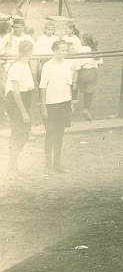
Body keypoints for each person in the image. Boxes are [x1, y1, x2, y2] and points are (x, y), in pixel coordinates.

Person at [39, 40, 76, 175]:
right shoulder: (48, 66)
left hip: (64, 103)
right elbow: (42, 87)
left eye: (66, 50)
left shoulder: (68, 65)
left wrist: (70, 103)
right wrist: (44, 107)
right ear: (55, 51)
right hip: (51, 104)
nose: (65, 52)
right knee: (50, 133)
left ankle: (57, 164)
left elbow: (68, 85)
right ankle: (47, 165)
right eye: (62, 50)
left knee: (60, 134)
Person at [5, 40, 35, 175]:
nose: (31, 53)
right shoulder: (17, 67)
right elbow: (16, 92)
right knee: (19, 133)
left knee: (23, 133)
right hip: (16, 101)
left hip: (25, 98)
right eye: (30, 51)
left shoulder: (25, 64)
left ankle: (12, 162)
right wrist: (23, 111)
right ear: (26, 52)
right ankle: (12, 164)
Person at [75, 34, 102, 121]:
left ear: (84, 41)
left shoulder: (82, 49)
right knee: (89, 91)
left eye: (81, 40)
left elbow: (79, 62)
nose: (80, 42)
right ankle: (87, 109)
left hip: (83, 71)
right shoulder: (94, 49)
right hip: (92, 72)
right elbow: (100, 61)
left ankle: (85, 109)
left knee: (83, 89)